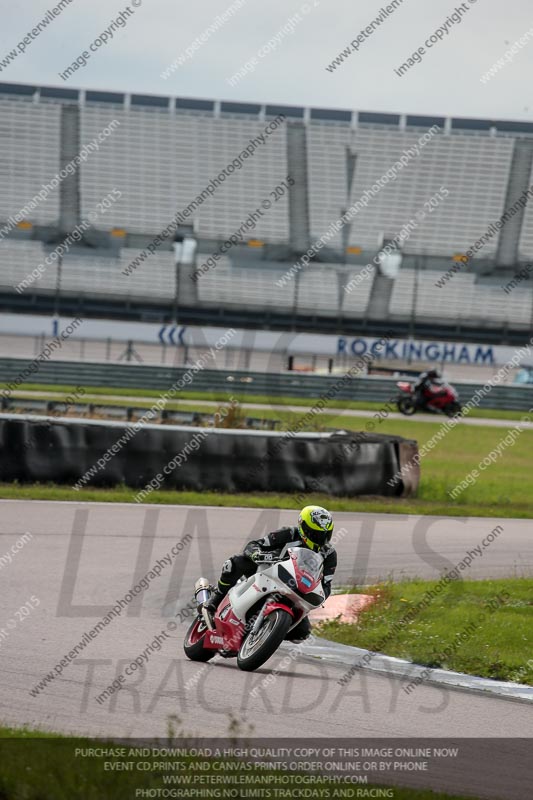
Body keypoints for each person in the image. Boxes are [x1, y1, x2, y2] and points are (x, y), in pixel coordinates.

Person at [202, 505, 337, 642]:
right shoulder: (289, 534)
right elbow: (254, 544)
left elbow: (326, 584)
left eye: (325, 535)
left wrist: (320, 595)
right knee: (234, 563)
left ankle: (265, 634)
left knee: (302, 634)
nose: (321, 539)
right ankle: (216, 598)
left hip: (296, 590)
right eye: (316, 534)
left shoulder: (329, 554)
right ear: (303, 527)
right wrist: (257, 554)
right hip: (267, 572)